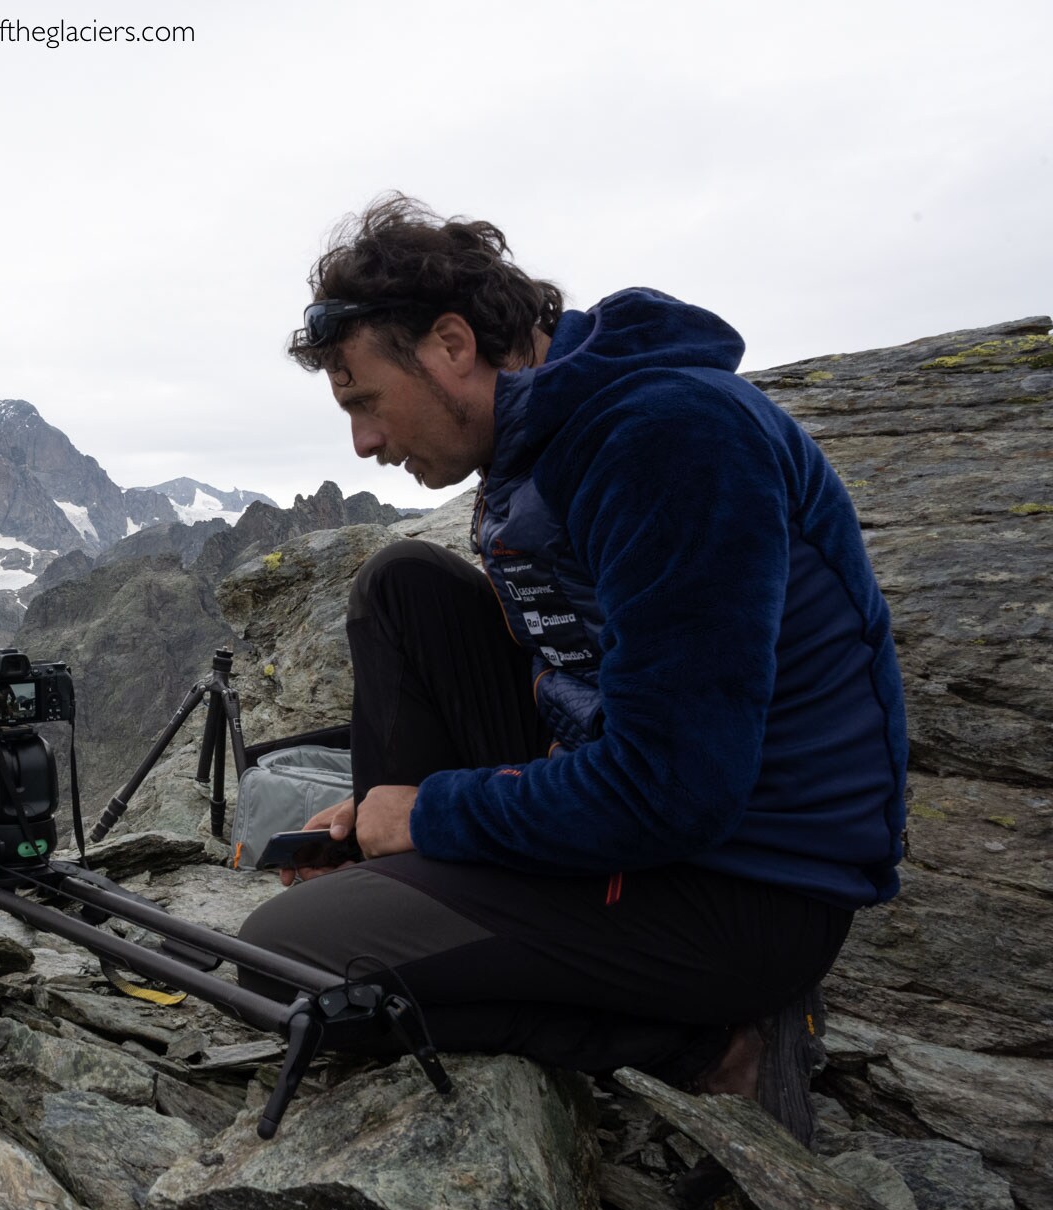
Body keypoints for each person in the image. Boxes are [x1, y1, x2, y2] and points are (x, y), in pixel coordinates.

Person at [236, 196, 907, 1143]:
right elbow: (576, 665)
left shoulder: (670, 440)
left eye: (363, 401)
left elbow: (674, 790)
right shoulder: (543, 436)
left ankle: (715, 1048)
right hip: (641, 812)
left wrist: (429, 813)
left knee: (286, 964)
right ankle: (405, 887)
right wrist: (388, 817)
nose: (365, 444)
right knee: (403, 587)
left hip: (742, 889)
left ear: (453, 345)